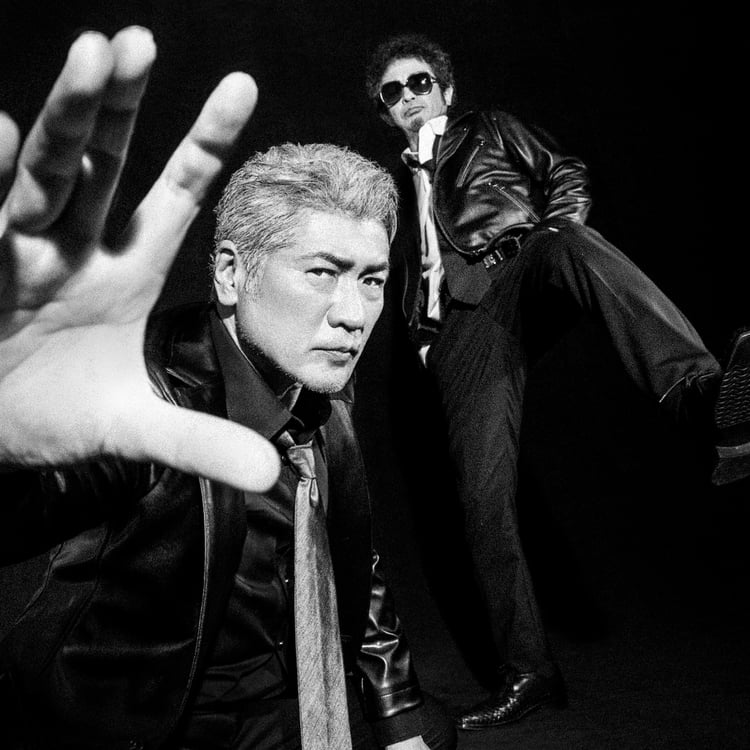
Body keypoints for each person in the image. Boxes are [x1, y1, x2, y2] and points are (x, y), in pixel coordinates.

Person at [0, 27, 457, 750]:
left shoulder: (323, 398)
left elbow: (356, 559)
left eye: (371, 279)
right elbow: (25, 508)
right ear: (230, 274)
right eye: (322, 272)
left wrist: (398, 724)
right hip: (144, 724)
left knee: (437, 730)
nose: (353, 313)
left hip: (284, 704)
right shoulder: (144, 401)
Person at [364, 32, 750, 732]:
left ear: (445, 90)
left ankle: (704, 400)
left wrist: (556, 232)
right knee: (481, 501)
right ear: (385, 110)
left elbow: (564, 169)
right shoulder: (391, 187)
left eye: (419, 82)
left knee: (569, 241)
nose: (408, 98)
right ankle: (530, 673)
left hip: (520, 266)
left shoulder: (487, 129)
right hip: (459, 333)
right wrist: (421, 341)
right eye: (393, 92)